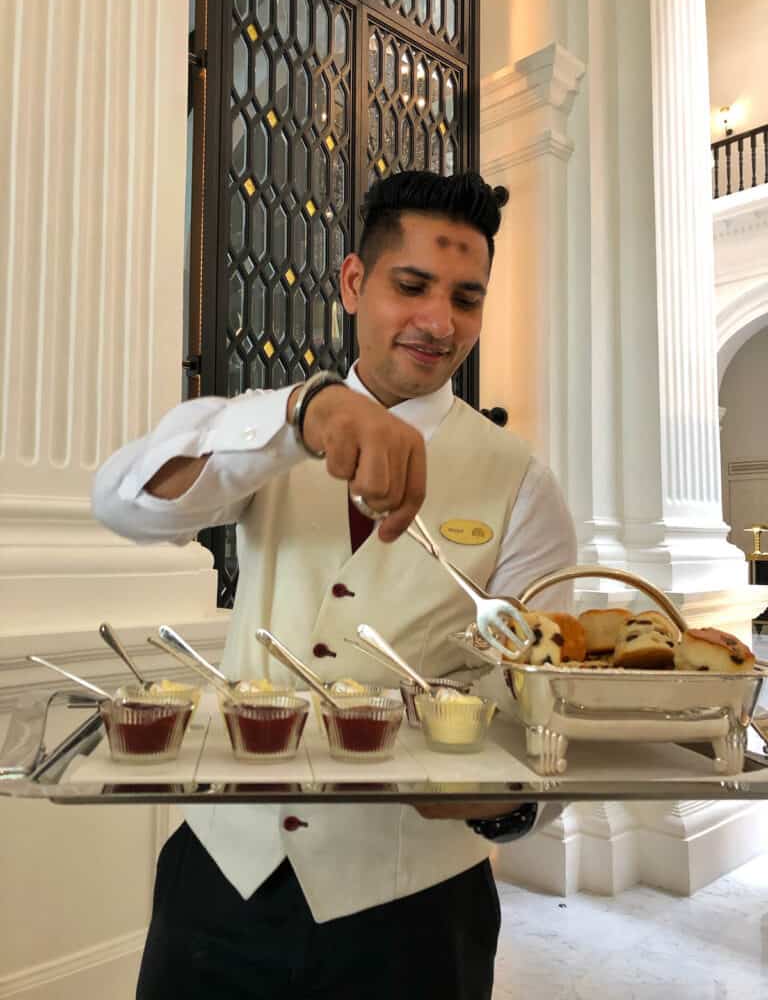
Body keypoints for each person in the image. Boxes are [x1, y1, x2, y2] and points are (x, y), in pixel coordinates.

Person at [93, 170, 577, 999]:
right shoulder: (266, 427)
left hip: (418, 905)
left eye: (467, 297)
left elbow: (543, 708)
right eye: (412, 285)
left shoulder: (522, 483)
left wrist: (502, 808)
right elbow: (124, 504)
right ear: (355, 283)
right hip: (222, 877)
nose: (438, 321)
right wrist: (299, 418)